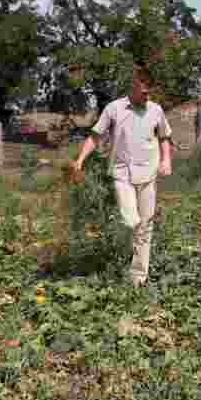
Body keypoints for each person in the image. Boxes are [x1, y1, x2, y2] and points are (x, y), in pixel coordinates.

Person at [73, 66, 172, 287]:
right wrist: (80, 160)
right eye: (143, 92)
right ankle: (132, 238)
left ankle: (139, 278)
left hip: (148, 173)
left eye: (149, 92)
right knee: (131, 220)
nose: (147, 96)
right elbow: (95, 136)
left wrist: (166, 160)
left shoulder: (156, 110)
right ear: (133, 87)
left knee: (145, 227)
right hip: (122, 173)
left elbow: (165, 137)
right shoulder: (114, 109)